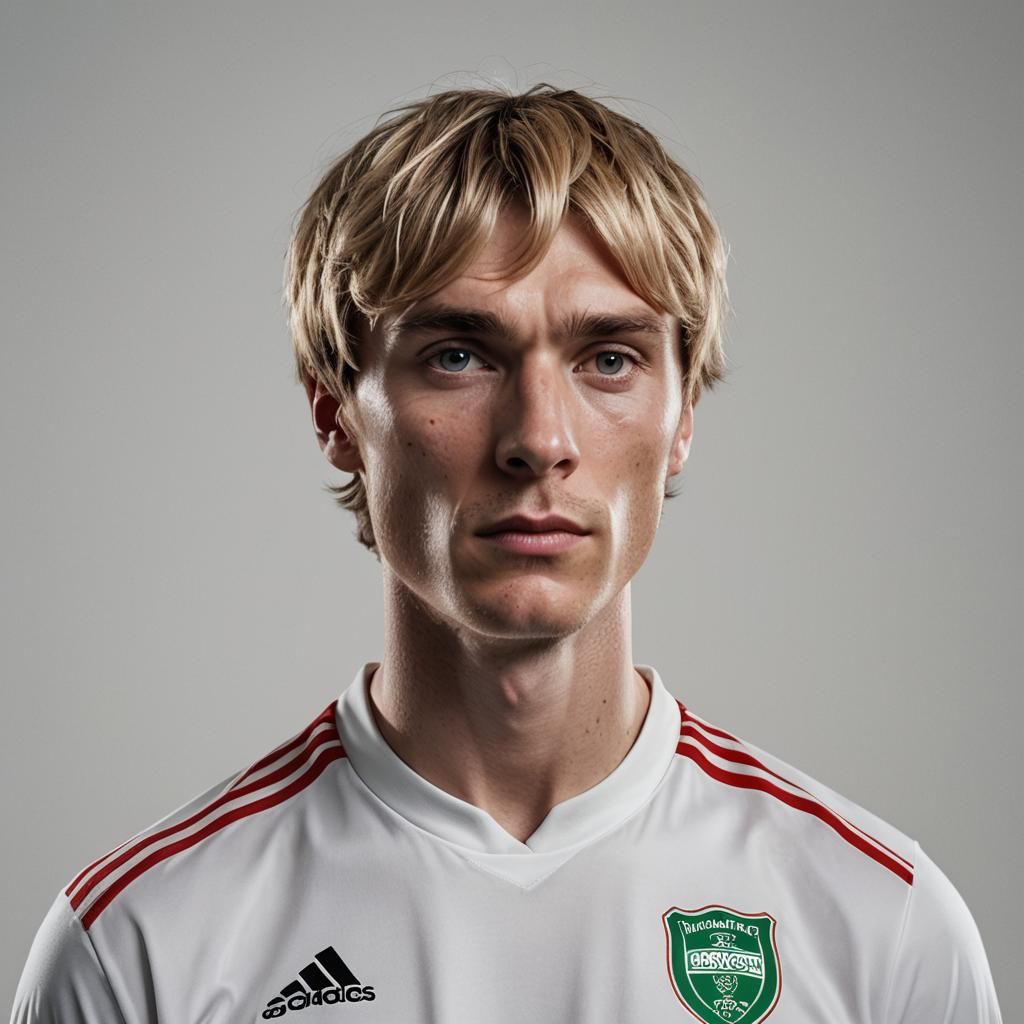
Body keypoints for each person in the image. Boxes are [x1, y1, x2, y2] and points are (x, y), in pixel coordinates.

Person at [11, 84, 1002, 1024]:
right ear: (335, 414)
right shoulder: (139, 945)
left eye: (607, 357)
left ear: (682, 413)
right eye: (459, 354)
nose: (538, 436)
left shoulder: (880, 923)